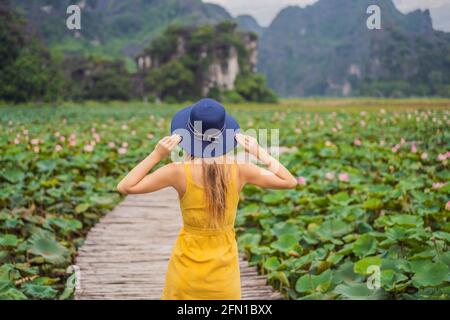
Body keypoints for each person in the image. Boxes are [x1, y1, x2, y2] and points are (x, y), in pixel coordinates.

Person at [117, 98, 297, 299]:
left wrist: (157, 154)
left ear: (188, 134)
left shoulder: (176, 171)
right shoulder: (241, 170)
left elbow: (125, 186)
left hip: (186, 271)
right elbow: (289, 181)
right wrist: (259, 152)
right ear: (224, 134)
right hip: (224, 273)